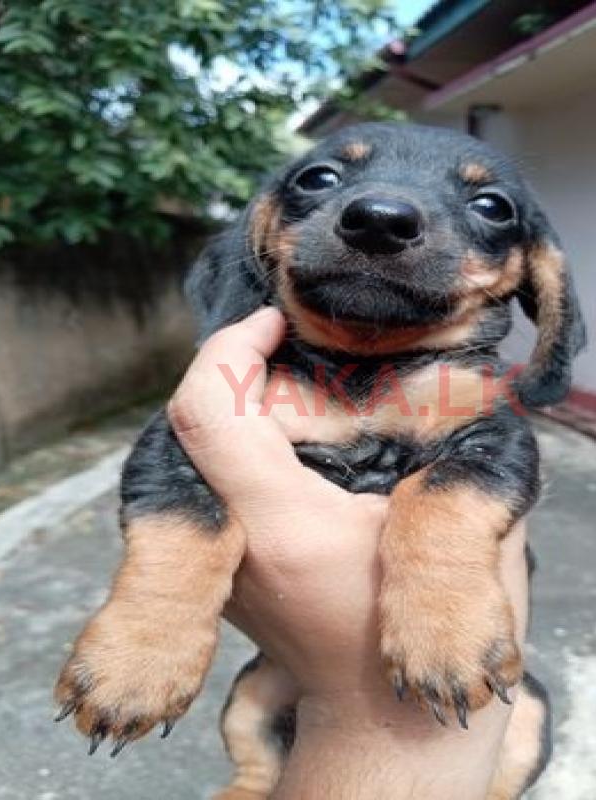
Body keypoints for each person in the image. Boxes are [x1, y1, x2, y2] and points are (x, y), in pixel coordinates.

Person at [168, 307, 530, 799]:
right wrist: (163, 605)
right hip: (283, 666)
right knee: (251, 706)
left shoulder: (467, 387)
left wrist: (438, 561)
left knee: (527, 715)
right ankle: (255, 780)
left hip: (437, 647)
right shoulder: (268, 379)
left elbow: (500, 459)